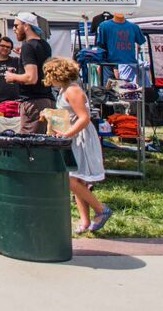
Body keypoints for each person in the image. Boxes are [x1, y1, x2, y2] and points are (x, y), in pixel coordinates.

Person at [44, 57, 114, 234]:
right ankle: (85, 221)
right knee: (78, 179)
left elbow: (84, 117)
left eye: (49, 74)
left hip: (80, 137)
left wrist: (67, 134)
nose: (48, 78)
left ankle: (101, 209)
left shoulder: (73, 90)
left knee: (70, 179)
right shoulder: (64, 90)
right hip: (72, 136)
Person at [4, 12, 53, 134]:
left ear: (26, 26)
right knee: (42, 143)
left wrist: (12, 77)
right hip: (46, 100)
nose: (14, 29)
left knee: (29, 146)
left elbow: (31, 78)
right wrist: (24, 56)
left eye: (16, 25)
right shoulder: (44, 44)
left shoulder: (28, 46)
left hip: (33, 103)